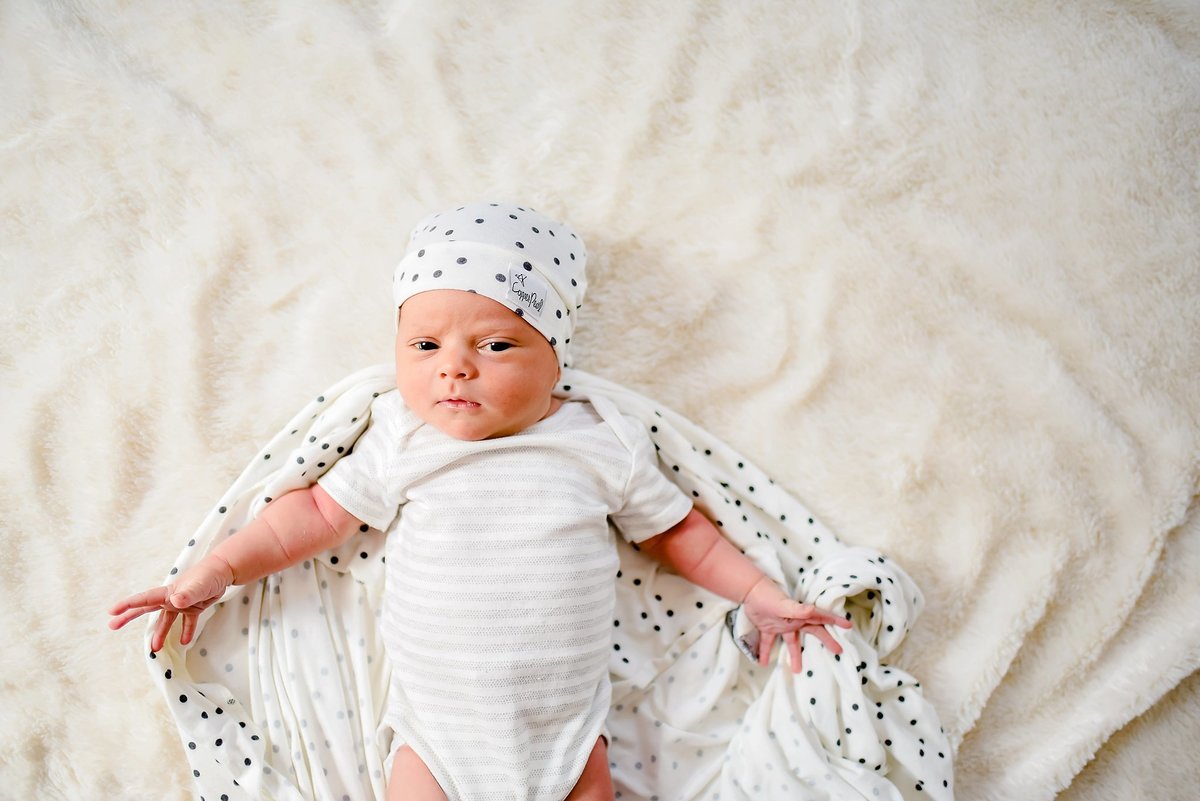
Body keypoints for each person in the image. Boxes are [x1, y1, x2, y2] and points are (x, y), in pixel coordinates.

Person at [109, 201, 852, 801]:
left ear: (556, 357)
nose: (455, 369)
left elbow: (679, 533)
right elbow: (313, 515)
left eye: (495, 346)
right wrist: (221, 568)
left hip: (565, 736)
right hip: (439, 735)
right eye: (425, 347)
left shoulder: (598, 440)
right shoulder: (402, 437)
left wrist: (757, 592)